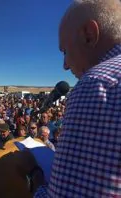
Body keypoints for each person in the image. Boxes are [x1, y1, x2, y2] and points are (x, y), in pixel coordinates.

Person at [30, 1, 121, 196]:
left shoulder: (97, 83)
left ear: (89, 35)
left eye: (64, 51)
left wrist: (35, 180)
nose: (64, 65)